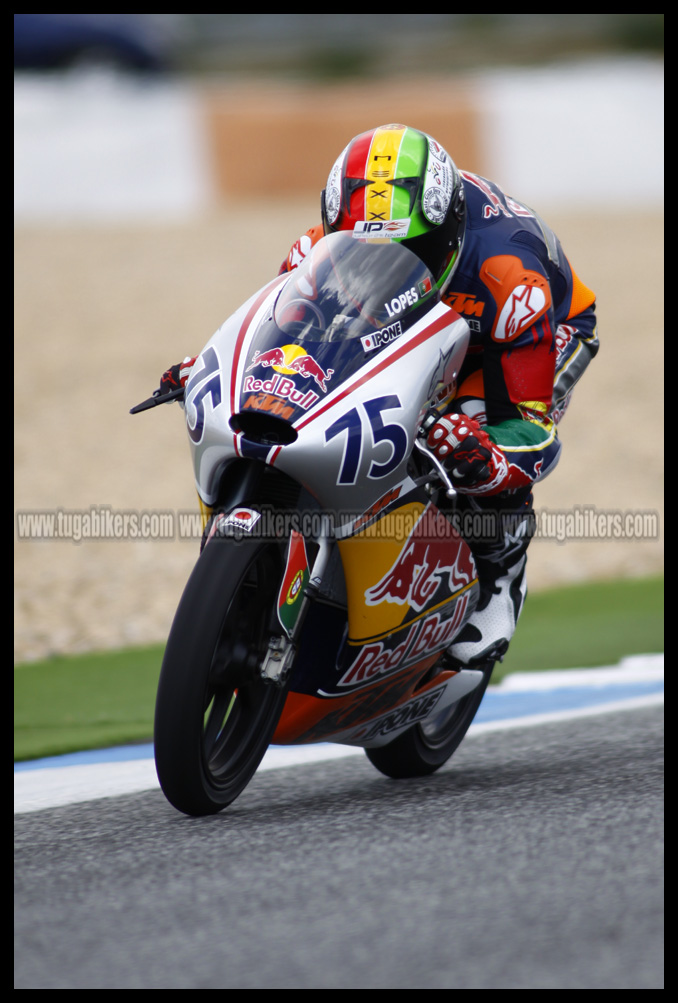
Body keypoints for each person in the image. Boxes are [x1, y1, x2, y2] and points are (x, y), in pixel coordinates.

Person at [159, 123, 598, 667]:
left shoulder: (512, 279)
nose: (383, 261)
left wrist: (485, 453)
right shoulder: (312, 250)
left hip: (532, 333)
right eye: (361, 248)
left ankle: (499, 570)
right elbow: (287, 337)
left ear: (449, 232)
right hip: (437, 315)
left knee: (473, 429)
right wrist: (214, 371)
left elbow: (531, 431)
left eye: (410, 249)